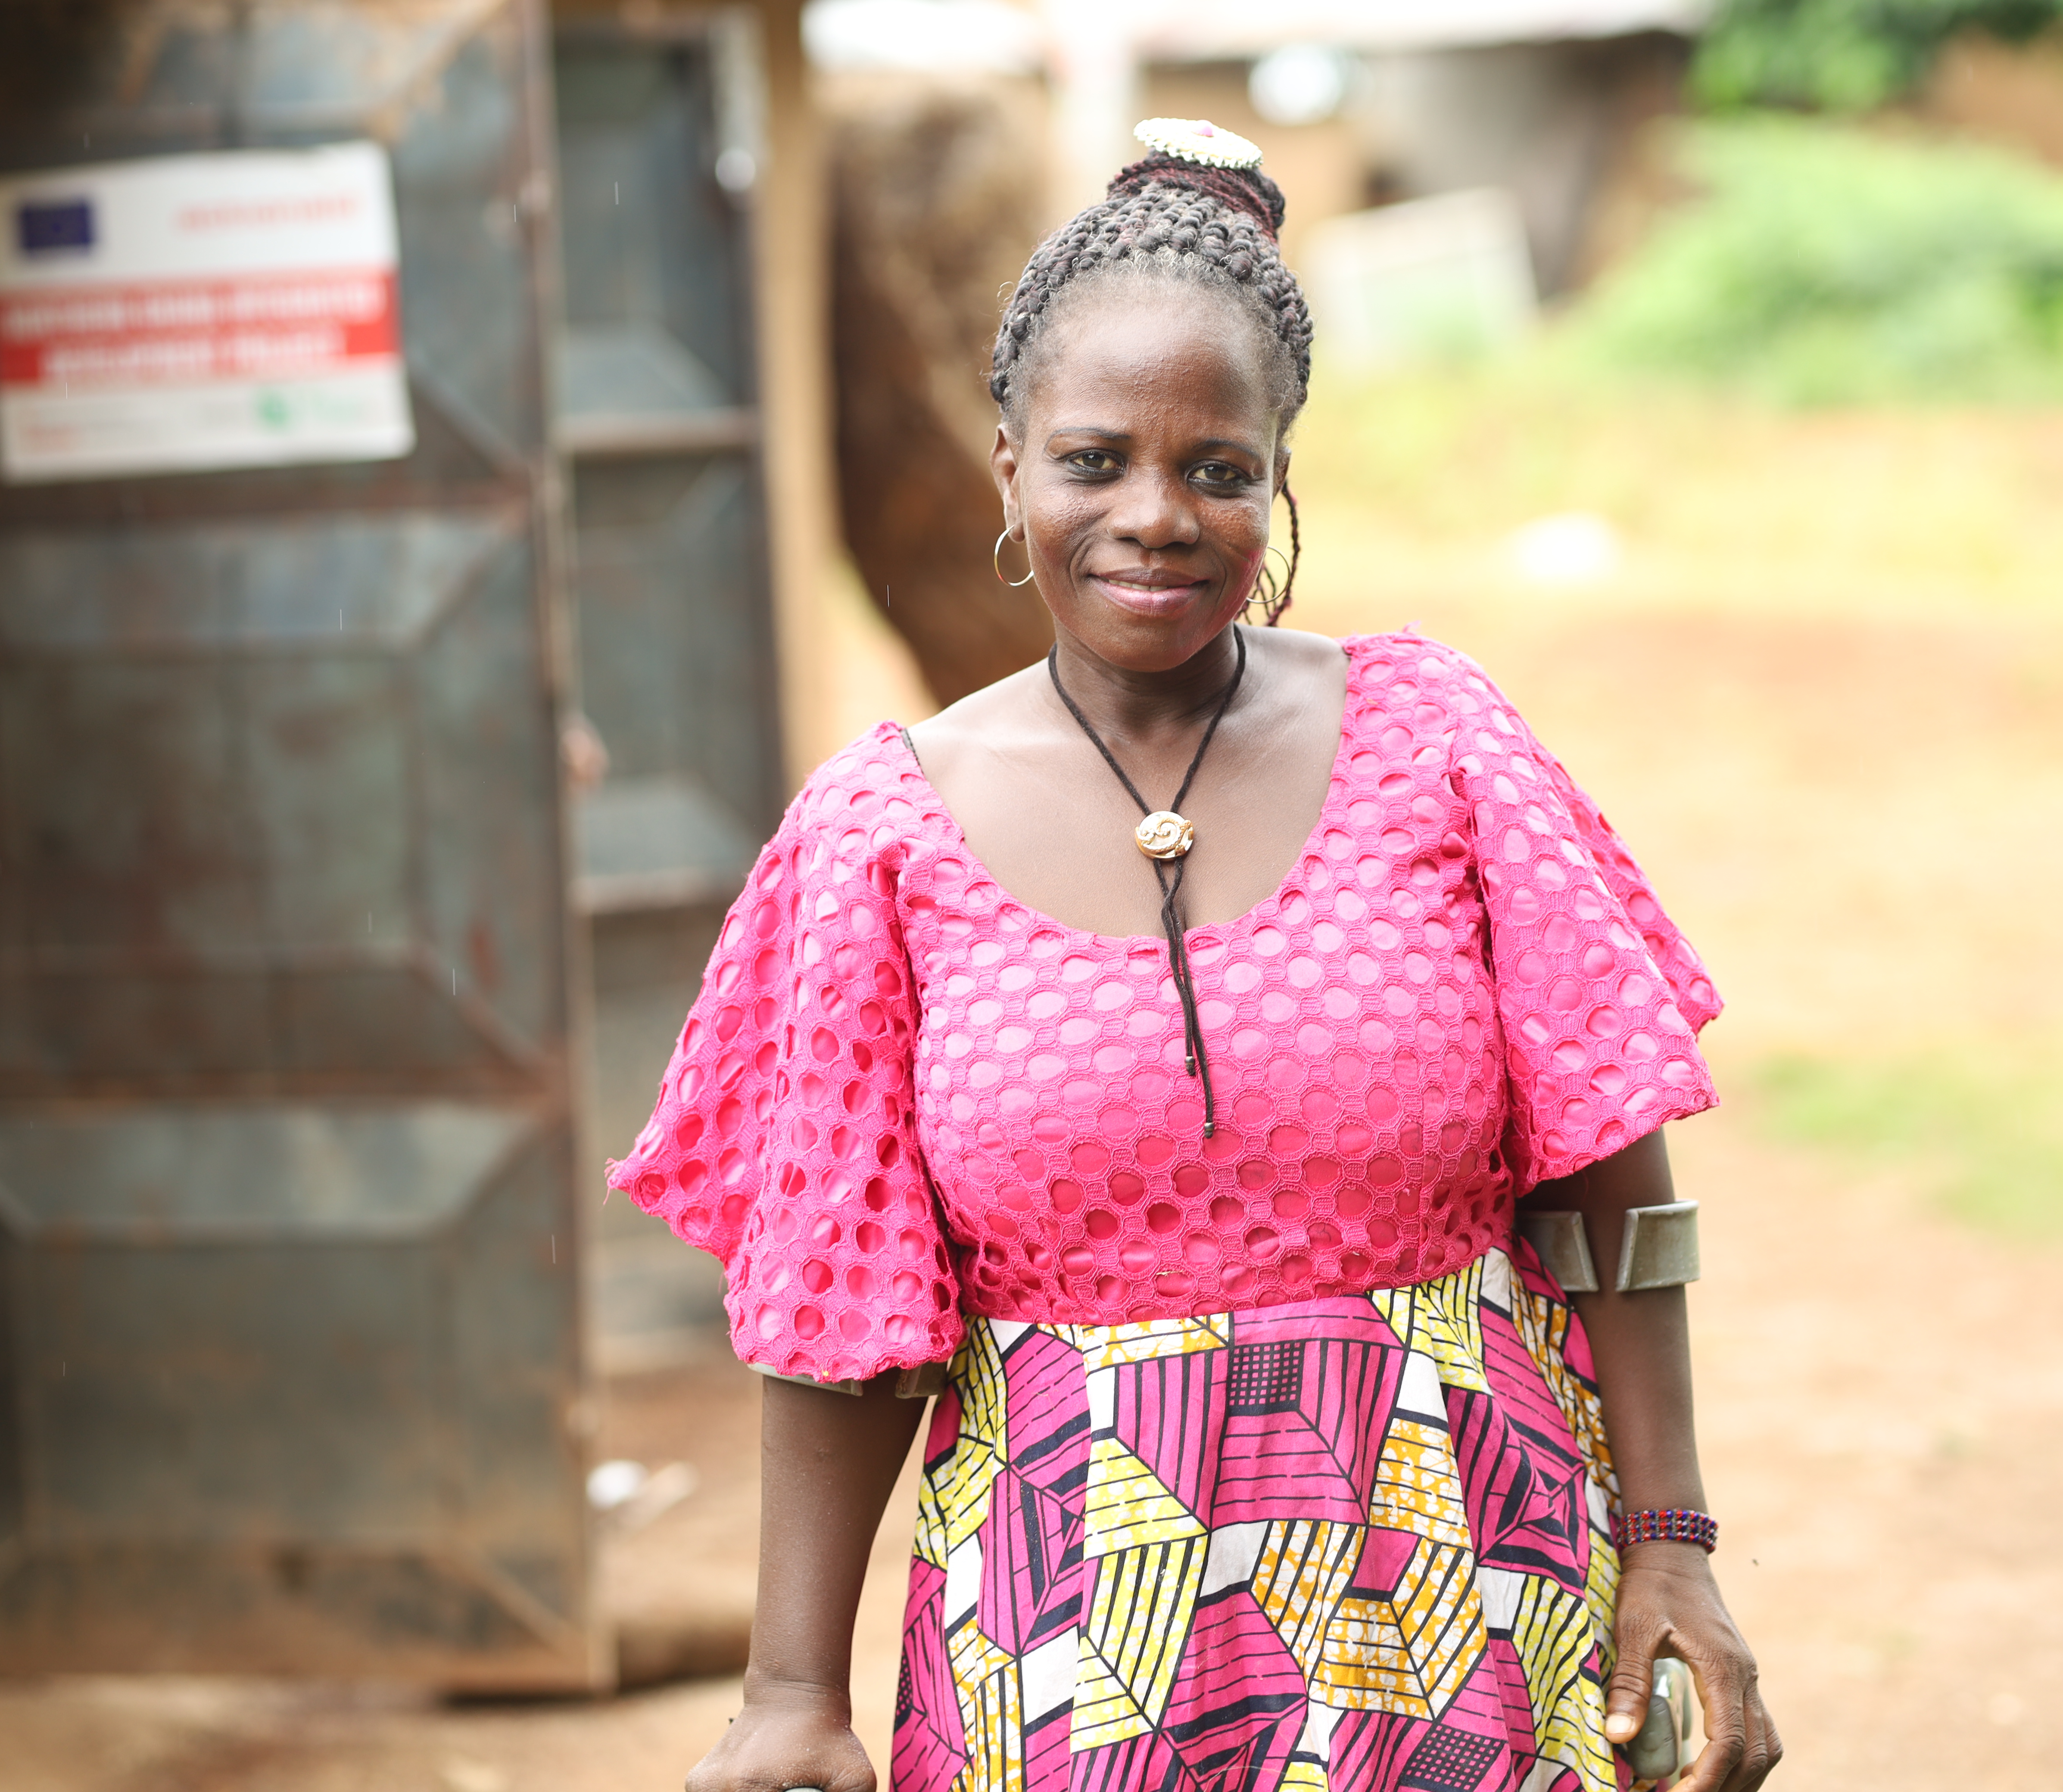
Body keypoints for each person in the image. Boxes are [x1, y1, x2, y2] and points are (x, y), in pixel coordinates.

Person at [613, 118, 1779, 1792]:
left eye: (1215, 468)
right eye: (1096, 459)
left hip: (1464, 1594)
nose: (1154, 515)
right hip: (1069, 1637)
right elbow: (840, 1298)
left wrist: (1670, 1541)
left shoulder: (1437, 743)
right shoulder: (879, 833)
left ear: (1277, 481)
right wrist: (791, 1686)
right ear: (1006, 458)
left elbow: (1611, 1173)